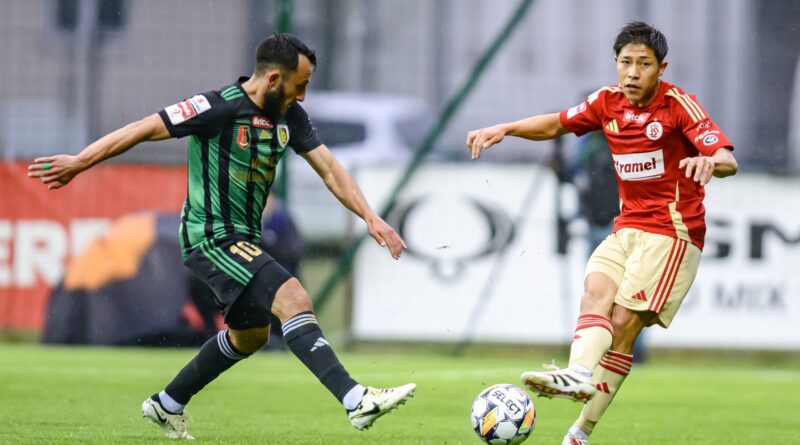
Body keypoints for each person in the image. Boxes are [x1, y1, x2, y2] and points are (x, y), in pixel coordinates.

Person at [28, 33, 415, 440]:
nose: (302, 96)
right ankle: (356, 400)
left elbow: (330, 169)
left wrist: (370, 216)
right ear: (273, 79)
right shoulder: (217, 107)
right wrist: (81, 161)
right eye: (299, 85)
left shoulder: (289, 115)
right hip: (210, 237)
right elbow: (144, 128)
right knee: (294, 298)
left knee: (250, 337)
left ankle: (167, 403)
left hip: (245, 239)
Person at [466, 22, 737, 445]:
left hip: (672, 233)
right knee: (595, 291)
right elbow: (555, 124)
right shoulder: (606, 102)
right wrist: (506, 127)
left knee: (623, 325)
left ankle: (580, 432)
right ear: (615, 63)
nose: (633, 72)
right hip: (626, 225)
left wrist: (710, 162)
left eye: (644, 64)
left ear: (661, 68)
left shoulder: (678, 105)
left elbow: (726, 159)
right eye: (626, 62)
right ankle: (577, 373)